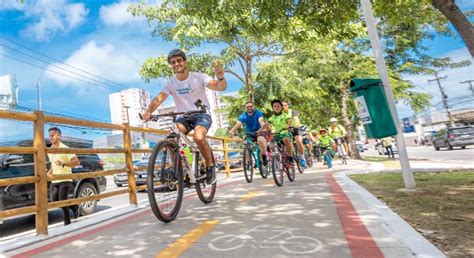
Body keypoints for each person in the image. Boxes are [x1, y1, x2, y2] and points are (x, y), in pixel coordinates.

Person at [142, 49, 227, 184]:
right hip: (184, 117)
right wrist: (148, 111)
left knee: (198, 138)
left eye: (179, 60)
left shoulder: (198, 77)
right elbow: (159, 98)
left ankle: (210, 167)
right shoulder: (170, 83)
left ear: (185, 62)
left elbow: (219, 86)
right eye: (173, 62)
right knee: (171, 138)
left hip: (201, 114)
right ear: (171, 65)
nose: (177, 64)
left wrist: (220, 78)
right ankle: (181, 166)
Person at [47, 127, 80, 225]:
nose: (51, 138)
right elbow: (53, 164)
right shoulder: (50, 150)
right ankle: (74, 206)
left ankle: (67, 222)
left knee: (62, 201)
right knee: (55, 202)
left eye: (53, 135)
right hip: (55, 179)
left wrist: (64, 164)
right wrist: (49, 172)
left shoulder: (65, 148)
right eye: (50, 136)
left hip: (65, 179)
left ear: (59, 136)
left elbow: (76, 162)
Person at [268, 99, 294, 166]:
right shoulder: (271, 118)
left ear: (281, 107)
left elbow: (289, 122)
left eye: (278, 106)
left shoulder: (286, 115)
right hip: (276, 135)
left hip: (285, 133)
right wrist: (266, 130)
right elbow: (267, 125)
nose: (276, 108)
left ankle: (291, 158)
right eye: (274, 106)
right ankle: (277, 159)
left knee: (286, 139)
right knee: (271, 145)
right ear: (272, 108)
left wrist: (288, 126)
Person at [282, 101, 306, 167]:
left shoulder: (292, 111)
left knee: (299, 141)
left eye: (285, 105)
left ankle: (302, 157)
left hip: (295, 128)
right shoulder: (280, 114)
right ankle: (289, 157)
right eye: (282, 106)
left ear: (287, 105)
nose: (283, 107)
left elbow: (296, 118)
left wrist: (297, 123)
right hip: (286, 130)